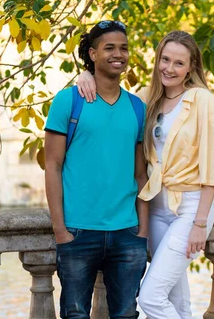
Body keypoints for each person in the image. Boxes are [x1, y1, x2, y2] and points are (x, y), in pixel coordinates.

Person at [77, 30, 214, 319]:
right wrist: (85, 76)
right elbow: (110, 96)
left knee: (150, 297)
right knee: (176, 299)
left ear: (191, 67)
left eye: (179, 63)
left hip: (192, 206)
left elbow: (213, 167)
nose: (169, 69)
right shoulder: (148, 100)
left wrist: (199, 224)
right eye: (165, 60)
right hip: (156, 207)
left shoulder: (202, 101)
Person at [45, 20, 149, 319]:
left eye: (124, 48)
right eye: (110, 48)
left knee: (127, 314)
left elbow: (140, 173)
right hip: (78, 231)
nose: (119, 54)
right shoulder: (68, 101)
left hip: (127, 232)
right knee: (75, 315)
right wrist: (60, 230)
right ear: (92, 54)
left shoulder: (136, 106)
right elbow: (52, 166)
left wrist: (141, 231)